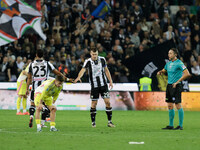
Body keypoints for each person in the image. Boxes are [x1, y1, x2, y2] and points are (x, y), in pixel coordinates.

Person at [26, 49, 73, 128]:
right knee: (45, 104)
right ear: (43, 55)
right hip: (45, 87)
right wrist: (67, 79)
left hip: (35, 87)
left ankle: (31, 116)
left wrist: (27, 88)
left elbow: (29, 78)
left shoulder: (31, 64)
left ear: (36, 55)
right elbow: (57, 73)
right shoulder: (47, 63)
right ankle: (42, 122)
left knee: (33, 104)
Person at [74, 48, 115, 128]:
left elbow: (106, 70)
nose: (94, 56)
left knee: (108, 102)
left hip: (103, 85)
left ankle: (109, 122)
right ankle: (93, 122)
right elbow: (83, 70)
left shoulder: (102, 60)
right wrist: (79, 77)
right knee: (94, 104)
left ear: (97, 54)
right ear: (90, 54)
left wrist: (110, 81)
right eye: (93, 54)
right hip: (94, 86)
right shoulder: (88, 61)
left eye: (96, 54)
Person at [157, 48, 190, 130]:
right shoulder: (168, 64)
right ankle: (171, 125)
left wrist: (177, 81)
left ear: (175, 54)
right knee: (169, 105)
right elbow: (165, 70)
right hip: (169, 86)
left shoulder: (179, 63)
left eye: (171, 53)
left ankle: (180, 125)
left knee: (178, 105)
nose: (169, 55)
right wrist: (161, 72)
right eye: (168, 53)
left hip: (176, 86)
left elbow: (187, 74)